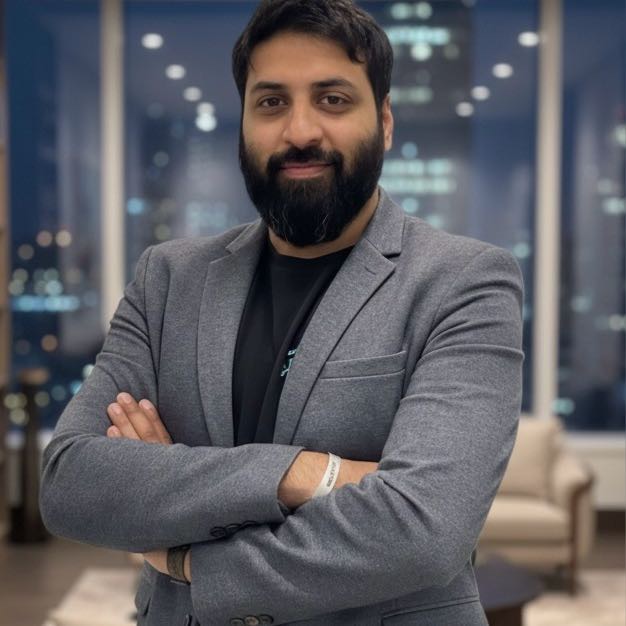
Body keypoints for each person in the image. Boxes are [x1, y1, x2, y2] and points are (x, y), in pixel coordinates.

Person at [39, 1, 524, 624]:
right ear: (243, 123)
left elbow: (424, 527)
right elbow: (70, 482)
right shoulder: (168, 278)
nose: (300, 131)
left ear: (383, 123)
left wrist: (186, 555)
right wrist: (308, 473)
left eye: (332, 100)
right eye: (271, 102)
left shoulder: (465, 281)